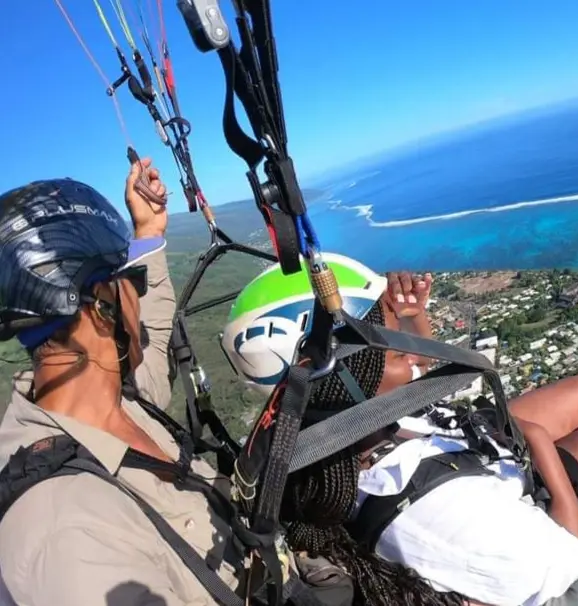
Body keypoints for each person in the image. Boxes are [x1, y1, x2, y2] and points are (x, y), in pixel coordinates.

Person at [0, 168, 438, 606]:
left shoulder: (119, 398)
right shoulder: (64, 530)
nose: (138, 292)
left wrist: (149, 232)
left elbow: (150, 325)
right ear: (103, 301)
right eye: (130, 281)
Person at [222, 263, 578, 606]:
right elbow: (567, 554)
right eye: (393, 350)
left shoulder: (342, 436)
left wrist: (414, 313)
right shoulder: (443, 523)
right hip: (542, 523)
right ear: (347, 386)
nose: (409, 350)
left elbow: (424, 374)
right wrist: (539, 445)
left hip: (461, 456)